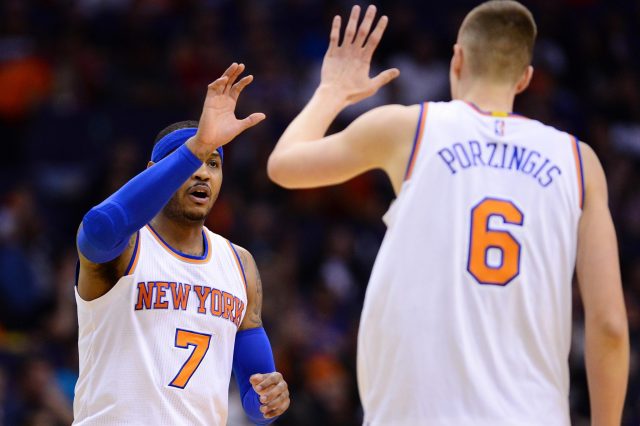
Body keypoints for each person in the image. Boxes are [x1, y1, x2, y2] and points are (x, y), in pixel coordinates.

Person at [267, 2, 628, 425]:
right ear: (525, 77)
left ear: (457, 59)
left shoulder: (411, 129)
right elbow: (609, 327)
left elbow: (284, 166)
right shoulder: (579, 162)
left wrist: (332, 93)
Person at [74, 63, 290, 424]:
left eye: (214, 162)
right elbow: (98, 227)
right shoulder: (127, 246)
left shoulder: (240, 263)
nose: (203, 171)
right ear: (154, 170)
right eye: (190, 160)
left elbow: (256, 401)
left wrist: (270, 399)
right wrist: (199, 144)